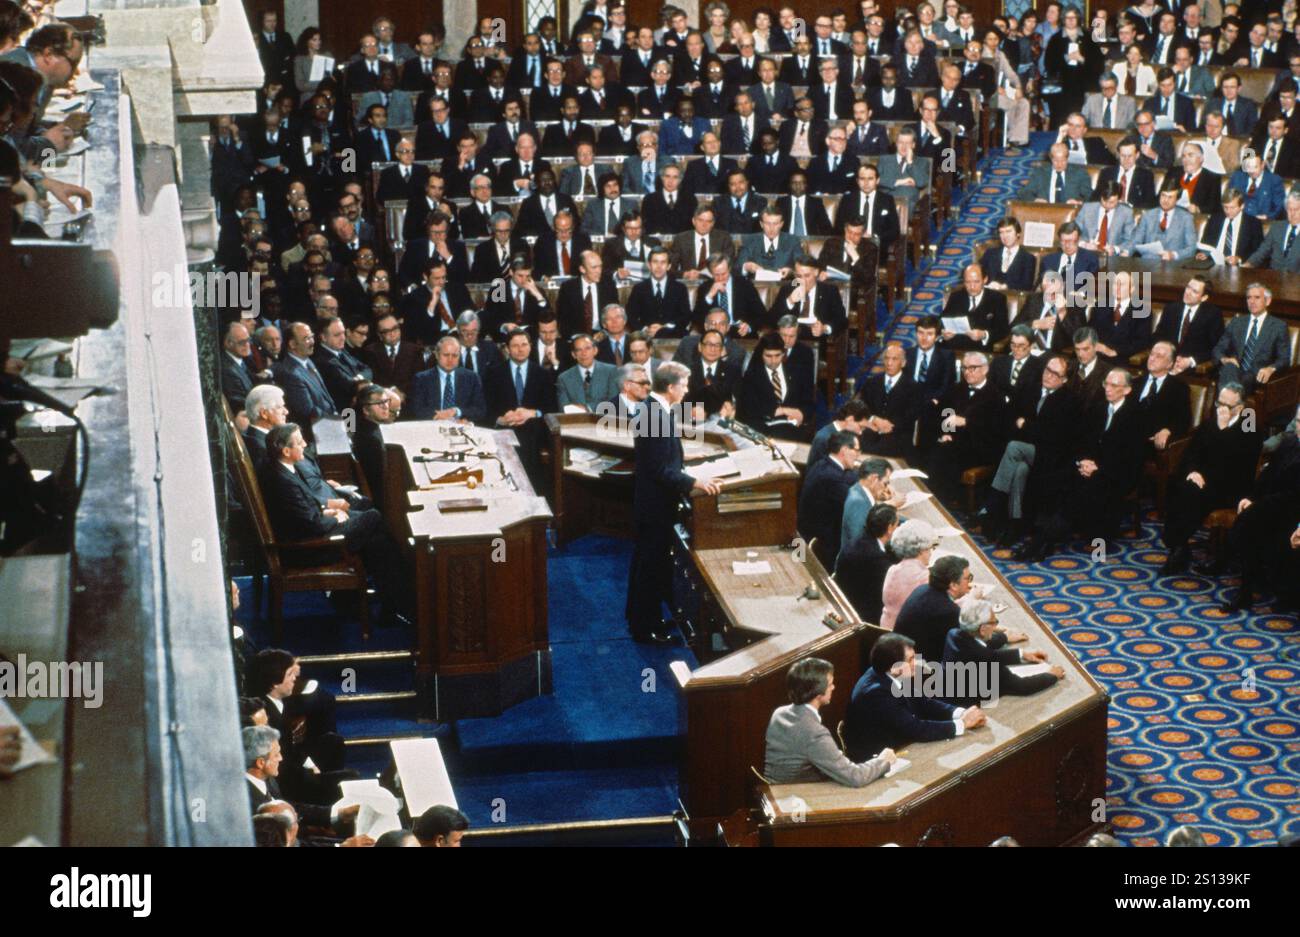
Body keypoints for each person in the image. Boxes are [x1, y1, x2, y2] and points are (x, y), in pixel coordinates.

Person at [627, 362, 721, 644]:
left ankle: (646, 618)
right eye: (684, 385)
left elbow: (661, 458)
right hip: (654, 506)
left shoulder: (655, 411)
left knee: (648, 564)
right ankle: (646, 629)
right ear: (670, 387)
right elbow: (659, 470)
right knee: (650, 566)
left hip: (652, 502)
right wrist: (695, 482)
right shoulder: (654, 415)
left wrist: (683, 461)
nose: (687, 390)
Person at [1160, 382, 1263, 574]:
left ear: (1240, 408)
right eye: (1219, 403)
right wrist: (1193, 471)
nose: (1221, 409)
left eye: (1227, 406)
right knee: (1179, 483)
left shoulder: (1250, 427)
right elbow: (1192, 452)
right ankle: (1178, 546)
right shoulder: (1210, 422)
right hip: (1205, 480)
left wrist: (1223, 429)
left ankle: (1178, 548)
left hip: (1231, 485)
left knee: (1190, 494)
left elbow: (1234, 465)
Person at [842, 633, 986, 763]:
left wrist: (961, 713)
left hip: (900, 738)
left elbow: (923, 702)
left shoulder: (891, 672)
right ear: (894, 667)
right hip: (879, 756)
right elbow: (914, 729)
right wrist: (962, 724)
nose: (916, 663)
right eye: (910, 659)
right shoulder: (874, 694)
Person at [982, 354, 1079, 548]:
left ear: (1064, 379)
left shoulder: (1070, 400)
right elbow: (1009, 417)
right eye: (1047, 370)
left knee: (1014, 447)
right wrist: (1029, 427)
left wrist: (1025, 425)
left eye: (1055, 374)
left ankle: (992, 506)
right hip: (1026, 453)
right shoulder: (1029, 388)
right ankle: (1015, 525)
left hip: (1051, 457)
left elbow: (1054, 436)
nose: (1048, 376)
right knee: (1019, 470)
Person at [763, 657, 896, 786]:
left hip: (778, 792)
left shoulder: (779, 713)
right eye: (830, 684)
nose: (833, 687)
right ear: (818, 694)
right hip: (800, 798)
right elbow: (855, 777)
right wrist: (883, 761)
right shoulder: (813, 733)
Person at [941, 601, 1063, 708]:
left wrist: (1020, 653)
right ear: (983, 629)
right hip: (971, 705)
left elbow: (978, 647)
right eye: (994, 622)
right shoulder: (988, 662)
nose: (995, 626)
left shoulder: (953, 634)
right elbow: (1022, 686)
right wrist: (1051, 675)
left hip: (947, 694)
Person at [797, 430, 860, 569]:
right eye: (856, 450)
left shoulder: (823, 464)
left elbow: (847, 476)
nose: (858, 455)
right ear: (844, 450)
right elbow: (855, 503)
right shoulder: (830, 477)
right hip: (820, 545)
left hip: (806, 535)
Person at [1211, 284, 1292, 392]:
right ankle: (1230, 402)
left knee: (1241, 379)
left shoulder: (1278, 326)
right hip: (1233, 370)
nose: (1252, 301)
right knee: (1229, 368)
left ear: (1267, 301)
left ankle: (1225, 401)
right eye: (1249, 297)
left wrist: (1270, 369)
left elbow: (1284, 359)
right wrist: (1225, 359)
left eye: (1257, 297)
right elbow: (1218, 349)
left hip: (1256, 375)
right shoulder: (1237, 322)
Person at [894, 555, 972, 662]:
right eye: (968, 578)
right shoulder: (949, 612)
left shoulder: (922, 589)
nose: (970, 583)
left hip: (898, 653)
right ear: (953, 585)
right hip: (921, 670)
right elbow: (964, 645)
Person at [835, 503, 899, 622]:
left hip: (846, 593)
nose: (898, 528)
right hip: (861, 613)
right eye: (897, 525)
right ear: (889, 529)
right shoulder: (877, 560)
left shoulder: (862, 537)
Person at [880, 520, 938, 630]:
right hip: (906, 634)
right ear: (922, 550)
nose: (931, 553)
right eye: (931, 548)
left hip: (884, 628)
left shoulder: (892, 570)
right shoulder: (925, 578)